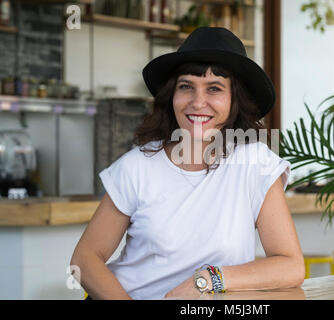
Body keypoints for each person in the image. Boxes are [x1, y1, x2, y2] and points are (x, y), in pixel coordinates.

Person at [71, 27, 305, 300]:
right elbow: (83, 260)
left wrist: (208, 279)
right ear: (172, 95)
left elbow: (291, 266)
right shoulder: (136, 167)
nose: (197, 102)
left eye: (214, 88)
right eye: (186, 87)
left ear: (234, 100)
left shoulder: (254, 164)